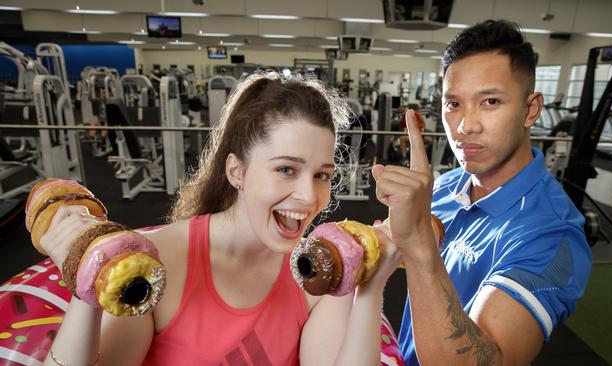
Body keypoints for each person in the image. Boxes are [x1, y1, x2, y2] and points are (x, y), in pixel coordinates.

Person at [40, 72, 400, 365]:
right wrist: (85, 283)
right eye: (287, 169)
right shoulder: (155, 265)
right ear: (236, 171)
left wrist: (371, 286)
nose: (309, 196)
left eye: (321, 174)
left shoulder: (317, 273)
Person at [371, 20, 592, 365]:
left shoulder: (551, 235)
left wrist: (418, 246)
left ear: (530, 109)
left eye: (490, 101)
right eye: (453, 104)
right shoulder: (444, 188)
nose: (464, 126)